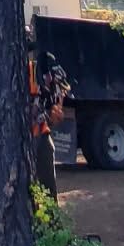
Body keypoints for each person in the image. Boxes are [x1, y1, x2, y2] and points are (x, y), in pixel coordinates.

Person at [31, 53, 71, 199]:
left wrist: (53, 115)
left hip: (40, 137)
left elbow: (52, 110)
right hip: (29, 140)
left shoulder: (43, 71)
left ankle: (49, 217)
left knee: (46, 189)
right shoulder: (32, 78)